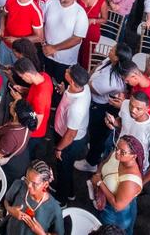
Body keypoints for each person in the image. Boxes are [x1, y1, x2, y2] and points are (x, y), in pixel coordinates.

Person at [50, 64, 91, 202]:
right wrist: (64, 90)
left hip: (70, 141)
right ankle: (70, 191)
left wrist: (59, 148)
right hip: (67, 135)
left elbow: (70, 135)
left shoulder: (76, 108)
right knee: (66, 168)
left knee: (64, 170)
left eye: (68, 71)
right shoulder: (82, 87)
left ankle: (62, 199)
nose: (66, 71)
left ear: (72, 81)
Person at [90, 135, 144, 233]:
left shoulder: (131, 180)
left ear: (134, 156)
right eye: (117, 148)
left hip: (114, 215)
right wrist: (98, 174)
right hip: (104, 201)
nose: (117, 153)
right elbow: (104, 163)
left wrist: (99, 182)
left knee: (106, 229)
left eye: (123, 152)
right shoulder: (117, 154)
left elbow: (117, 206)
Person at [1, 160, 64, 235]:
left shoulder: (54, 208)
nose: (29, 185)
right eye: (27, 180)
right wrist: (9, 209)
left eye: (34, 183)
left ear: (46, 184)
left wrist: (41, 233)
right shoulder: (19, 185)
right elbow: (6, 200)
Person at [41, 0, 89, 78]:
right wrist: (44, 43)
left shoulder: (80, 13)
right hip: (46, 52)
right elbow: (41, 23)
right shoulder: (51, 2)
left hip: (65, 60)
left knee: (59, 88)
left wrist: (54, 48)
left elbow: (77, 39)